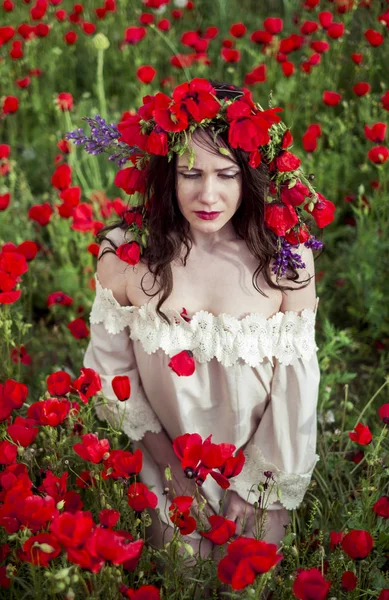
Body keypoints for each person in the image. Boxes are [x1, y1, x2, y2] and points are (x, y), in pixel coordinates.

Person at [81, 79, 329, 567]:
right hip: (165, 457)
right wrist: (172, 469)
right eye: (190, 173)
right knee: (185, 571)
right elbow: (113, 369)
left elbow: (295, 387)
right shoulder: (128, 255)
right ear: (167, 174)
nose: (208, 194)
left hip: (262, 466)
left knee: (246, 573)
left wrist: (255, 488)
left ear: (250, 174)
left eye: (226, 174)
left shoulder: (286, 258)